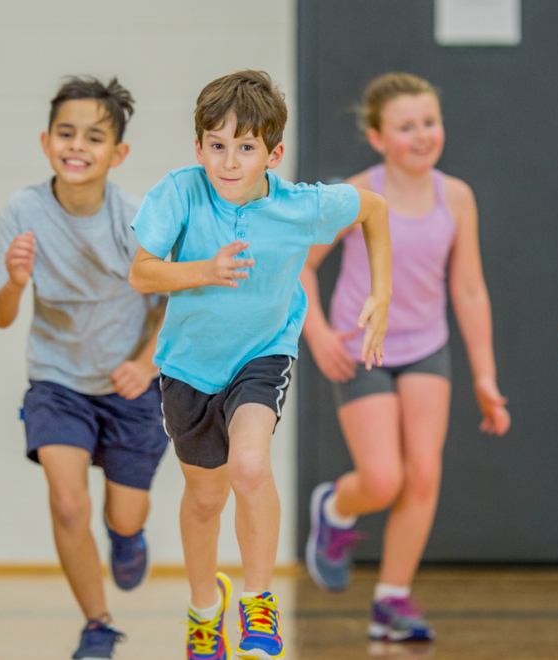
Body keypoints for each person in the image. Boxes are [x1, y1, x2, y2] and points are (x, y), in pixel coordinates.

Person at [129, 70, 392, 660]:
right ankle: (204, 611)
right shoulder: (179, 192)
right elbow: (142, 271)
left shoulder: (301, 206)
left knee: (249, 466)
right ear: (198, 147)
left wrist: (383, 292)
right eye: (216, 145)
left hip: (262, 353)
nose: (228, 161)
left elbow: (374, 210)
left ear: (272, 154)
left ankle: (258, 600)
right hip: (188, 367)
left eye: (245, 147)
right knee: (205, 499)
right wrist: (204, 270)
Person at [301, 72, 510, 643]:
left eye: (430, 122)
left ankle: (391, 600)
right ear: (377, 137)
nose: (422, 135)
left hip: (425, 347)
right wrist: (317, 333)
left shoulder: (457, 197)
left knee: (422, 475)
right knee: (384, 478)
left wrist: (485, 377)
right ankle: (336, 509)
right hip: (361, 344)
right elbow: (302, 265)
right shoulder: (356, 195)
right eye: (406, 127)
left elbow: (468, 290)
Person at [0, 76, 168, 660]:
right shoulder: (23, 210)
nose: (77, 146)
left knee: (122, 510)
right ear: (46, 142)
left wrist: (144, 364)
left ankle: (128, 534)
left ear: (118, 154)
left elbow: (176, 302)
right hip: (57, 379)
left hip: (130, 383)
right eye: (66, 133)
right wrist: (16, 283)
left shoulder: (137, 218)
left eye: (94, 137)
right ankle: (97, 624)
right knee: (68, 503)